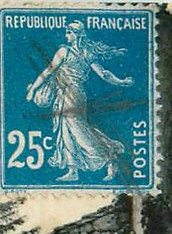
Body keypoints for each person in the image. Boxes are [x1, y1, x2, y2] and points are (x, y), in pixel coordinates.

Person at [26, 21, 133, 182]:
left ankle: (109, 157)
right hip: (68, 94)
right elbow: (104, 74)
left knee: (77, 130)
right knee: (67, 129)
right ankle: (73, 170)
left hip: (72, 94)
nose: (66, 36)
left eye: (68, 33)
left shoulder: (65, 51)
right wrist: (121, 82)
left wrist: (33, 89)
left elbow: (49, 71)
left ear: (76, 34)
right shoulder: (85, 53)